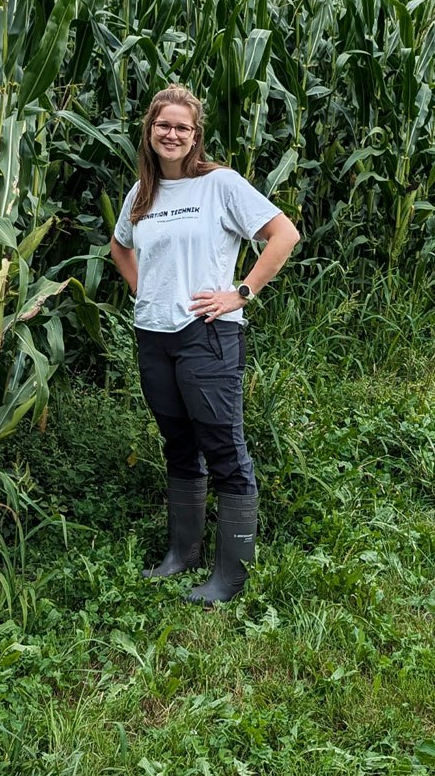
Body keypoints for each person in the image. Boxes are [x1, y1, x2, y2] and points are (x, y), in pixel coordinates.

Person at [109, 84, 300, 605]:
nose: (171, 134)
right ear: (149, 132)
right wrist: (146, 291)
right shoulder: (141, 194)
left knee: (223, 448)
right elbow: (120, 247)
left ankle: (230, 574)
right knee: (177, 444)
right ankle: (182, 555)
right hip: (153, 334)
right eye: (163, 125)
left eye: (182, 127)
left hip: (207, 335)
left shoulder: (221, 185)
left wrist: (240, 293)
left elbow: (283, 234)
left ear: (195, 137)